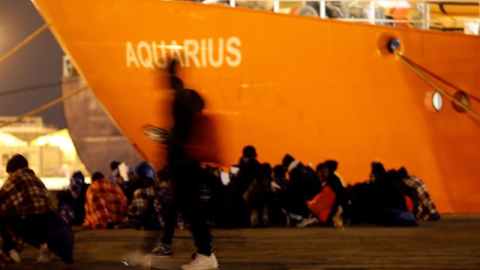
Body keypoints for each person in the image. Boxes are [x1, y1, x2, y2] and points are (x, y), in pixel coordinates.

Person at [149, 60, 218, 270]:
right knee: (185, 208)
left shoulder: (179, 101)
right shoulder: (185, 100)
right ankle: (200, 251)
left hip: (184, 163)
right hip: (187, 162)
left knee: (190, 209)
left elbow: (181, 134)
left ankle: (205, 253)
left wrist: (166, 139)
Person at [0, 154, 54, 264]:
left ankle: (11, 251)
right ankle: (43, 244)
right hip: (47, 222)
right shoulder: (37, 179)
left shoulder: (15, 178)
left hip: (27, 222)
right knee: (33, 219)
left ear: (12, 170)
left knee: (3, 219)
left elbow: (2, 199)